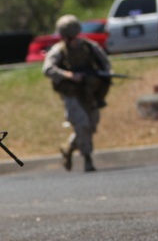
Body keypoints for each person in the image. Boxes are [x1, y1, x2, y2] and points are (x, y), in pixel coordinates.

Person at [42, 14, 112, 172]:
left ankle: (68, 148)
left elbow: (105, 63)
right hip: (71, 94)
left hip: (90, 93)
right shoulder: (58, 50)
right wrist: (70, 76)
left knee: (91, 125)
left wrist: (103, 74)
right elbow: (47, 69)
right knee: (82, 125)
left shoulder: (89, 46)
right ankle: (88, 159)